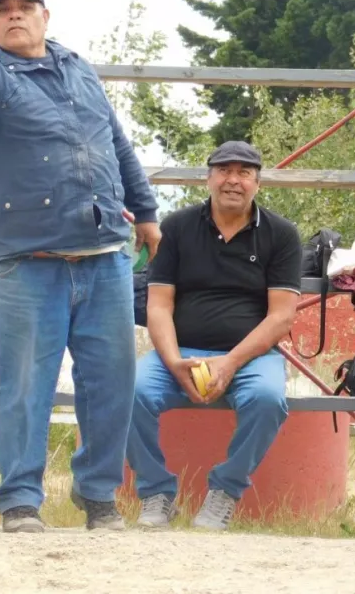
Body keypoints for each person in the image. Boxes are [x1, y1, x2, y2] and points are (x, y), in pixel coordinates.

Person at [0, 0, 162, 532]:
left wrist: (146, 211)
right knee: (24, 385)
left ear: (46, 16)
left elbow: (116, 142)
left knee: (112, 382)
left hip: (106, 255)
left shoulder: (80, 69)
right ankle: (20, 499)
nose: (15, 15)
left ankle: (99, 495)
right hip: (27, 261)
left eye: (26, 6)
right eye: (4, 10)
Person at [127, 141, 301, 531]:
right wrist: (174, 361)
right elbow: (159, 305)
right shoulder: (177, 227)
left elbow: (281, 317)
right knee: (129, 392)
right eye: (224, 171)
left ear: (258, 183)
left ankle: (225, 491)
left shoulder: (282, 234)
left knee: (268, 400)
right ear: (208, 178)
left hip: (251, 357)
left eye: (244, 173)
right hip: (180, 353)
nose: (233, 181)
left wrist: (231, 362)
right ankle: (155, 493)